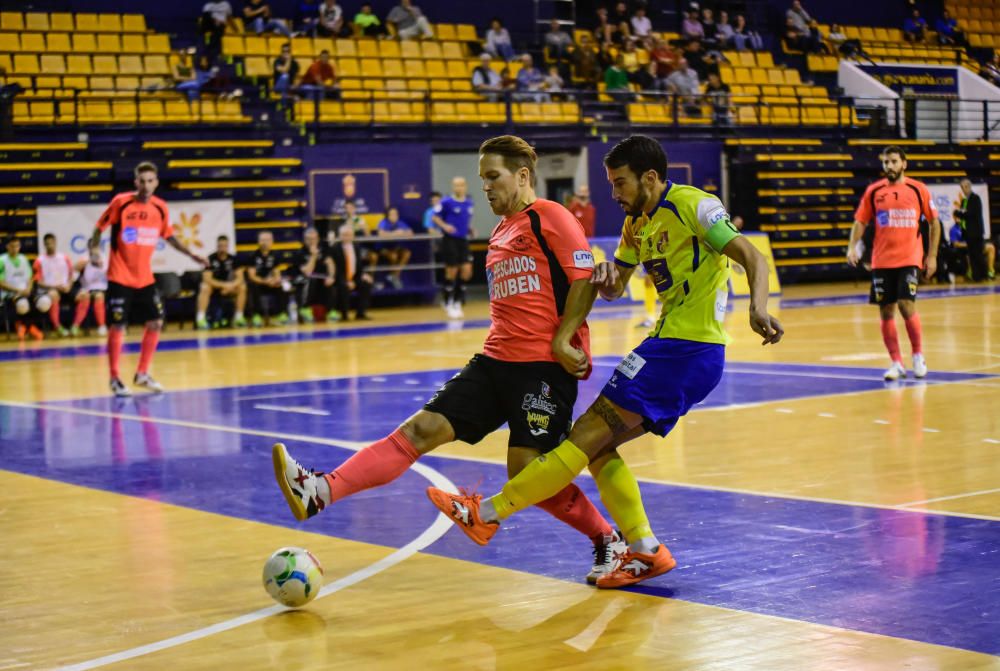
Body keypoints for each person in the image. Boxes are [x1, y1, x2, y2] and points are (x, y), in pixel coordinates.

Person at [425, 135, 784, 589]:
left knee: (584, 435)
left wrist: (758, 307)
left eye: (620, 184)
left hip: (689, 349)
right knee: (596, 447)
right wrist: (608, 276)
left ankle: (489, 513)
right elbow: (616, 287)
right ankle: (646, 549)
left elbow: (751, 256)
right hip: (664, 346)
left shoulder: (693, 205)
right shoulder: (637, 225)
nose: (614, 195)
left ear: (650, 178)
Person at [272, 135, 628, 585]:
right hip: (494, 361)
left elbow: (584, 279)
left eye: (493, 177)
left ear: (522, 176)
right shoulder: (502, 230)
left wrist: (562, 339)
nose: (486, 187)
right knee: (419, 429)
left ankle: (608, 542)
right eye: (482, 179)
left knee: (527, 474)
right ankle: (319, 491)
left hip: (542, 369)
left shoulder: (551, 217)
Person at [91, 162, 207, 397]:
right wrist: (94, 250)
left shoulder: (160, 208)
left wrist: (192, 254)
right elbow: (97, 229)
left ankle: (142, 373)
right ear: (135, 182)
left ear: (156, 183)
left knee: (156, 322)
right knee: (118, 325)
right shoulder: (120, 203)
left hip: (144, 278)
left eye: (150, 181)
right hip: (119, 276)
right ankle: (115, 378)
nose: (145, 185)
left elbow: (170, 237)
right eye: (141, 181)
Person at [847, 146, 941, 381]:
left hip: (909, 258)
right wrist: (852, 246)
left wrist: (932, 256)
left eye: (894, 161)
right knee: (886, 310)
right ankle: (896, 363)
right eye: (886, 162)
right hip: (881, 260)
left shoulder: (918, 189)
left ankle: (918, 356)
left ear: (904, 164)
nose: (889, 166)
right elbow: (860, 222)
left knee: (906, 305)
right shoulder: (874, 191)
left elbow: (934, 223)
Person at [431, 176, 475, 319]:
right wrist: (445, 226)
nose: (458, 188)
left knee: (466, 270)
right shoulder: (446, 202)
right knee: (452, 271)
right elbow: (435, 217)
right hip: (450, 240)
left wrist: (470, 229)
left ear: (465, 186)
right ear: (452, 187)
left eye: (461, 185)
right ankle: (449, 300)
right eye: (456, 185)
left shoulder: (469, 203)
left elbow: (465, 220)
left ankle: (458, 299)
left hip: (463, 240)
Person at [197, 235, 246, 329]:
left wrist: (230, 286)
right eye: (220, 246)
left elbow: (240, 278)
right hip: (214, 287)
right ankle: (201, 319)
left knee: (242, 287)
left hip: (230, 288)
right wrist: (224, 286)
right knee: (204, 287)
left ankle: (239, 317)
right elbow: (207, 279)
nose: (222, 248)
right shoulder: (210, 259)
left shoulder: (234, 259)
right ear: (217, 246)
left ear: (228, 247)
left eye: (225, 246)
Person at [0, 236, 44, 341]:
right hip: (9, 293)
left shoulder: (23, 259)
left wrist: (28, 288)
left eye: (17, 246)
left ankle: (26, 326)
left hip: (25, 291)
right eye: (12, 246)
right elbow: (1, 283)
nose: (15, 248)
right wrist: (18, 291)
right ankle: (27, 327)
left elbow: (30, 277)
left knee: (44, 302)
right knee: (23, 304)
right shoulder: (2, 260)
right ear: (7, 247)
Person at [329, 222, 373, 320]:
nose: (347, 237)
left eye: (349, 235)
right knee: (343, 287)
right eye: (344, 235)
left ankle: (360, 313)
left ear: (353, 236)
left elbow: (359, 265)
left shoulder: (356, 247)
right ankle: (344, 314)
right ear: (340, 236)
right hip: (340, 278)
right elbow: (336, 270)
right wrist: (346, 281)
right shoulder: (335, 248)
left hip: (354, 277)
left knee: (366, 284)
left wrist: (363, 275)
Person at [32, 233, 74, 337]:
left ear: (55, 242)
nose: (50, 245)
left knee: (84, 295)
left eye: (51, 243)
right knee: (53, 294)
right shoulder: (39, 261)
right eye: (47, 243)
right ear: (44, 245)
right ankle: (57, 326)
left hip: (65, 288)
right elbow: (38, 281)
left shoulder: (65, 257)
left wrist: (69, 285)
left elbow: (71, 275)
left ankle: (75, 327)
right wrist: (54, 287)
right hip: (49, 289)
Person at [290, 227, 335, 323]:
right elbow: (307, 271)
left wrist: (331, 276)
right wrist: (313, 255)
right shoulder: (300, 253)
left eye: (314, 239)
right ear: (304, 240)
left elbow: (330, 263)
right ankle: (304, 308)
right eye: (309, 239)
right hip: (301, 279)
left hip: (318, 277)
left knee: (330, 281)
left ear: (318, 239)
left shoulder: (323, 249)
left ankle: (330, 311)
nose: (311, 241)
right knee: (309, 279)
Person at [246, 231, 290, 326]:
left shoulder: (275, 255)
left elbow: (276, 272)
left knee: (284, 286)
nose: (265, 242)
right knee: (253, 286)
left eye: (267, 240)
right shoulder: (252, 256)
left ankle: (280, 314)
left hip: (270, 283)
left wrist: (276, 280)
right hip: (258, 283)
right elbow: (252, 276)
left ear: (272, 241)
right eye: (262, 240)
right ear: (258, 241)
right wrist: (265, 281)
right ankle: (257, 315)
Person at [953, 178, 993, 281]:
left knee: (978, 254)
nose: (963, 189)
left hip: (976, 233)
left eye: (965, 187)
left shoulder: (975, 199)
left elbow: (970, 214)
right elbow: (962, 213)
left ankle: (984, 275)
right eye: (962, 187)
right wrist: (959, 213)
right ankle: (976, 276)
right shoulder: (964, 201)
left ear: (969, 187)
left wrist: (958, 213)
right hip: (967, 233)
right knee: (972, 255)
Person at [71, 239, 108, 336]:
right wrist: (88, 261)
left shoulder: (104, 258)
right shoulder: (84, 258)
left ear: (99, 247)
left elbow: (110, 273)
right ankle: (75, 326)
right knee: (85, 297)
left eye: (95, 246)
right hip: (87, 288)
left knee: (99, 296)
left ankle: (102, 326)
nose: (94, 249)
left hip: (103, 288)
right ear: (89, 248)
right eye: (92, 247)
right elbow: (74, 269)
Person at [376, 206, 414, 290]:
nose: (394, 216)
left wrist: (402, 233)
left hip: (396, 247)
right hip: (383, 248)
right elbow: (381, 234)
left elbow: (410, 233)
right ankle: (393, 276)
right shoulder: (383, 222)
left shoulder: (400, 223)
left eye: (396, 214)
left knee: (407, 253)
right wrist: (396, 233)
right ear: (387, 215)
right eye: (392, 214)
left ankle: (394, 275)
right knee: (393, 256)